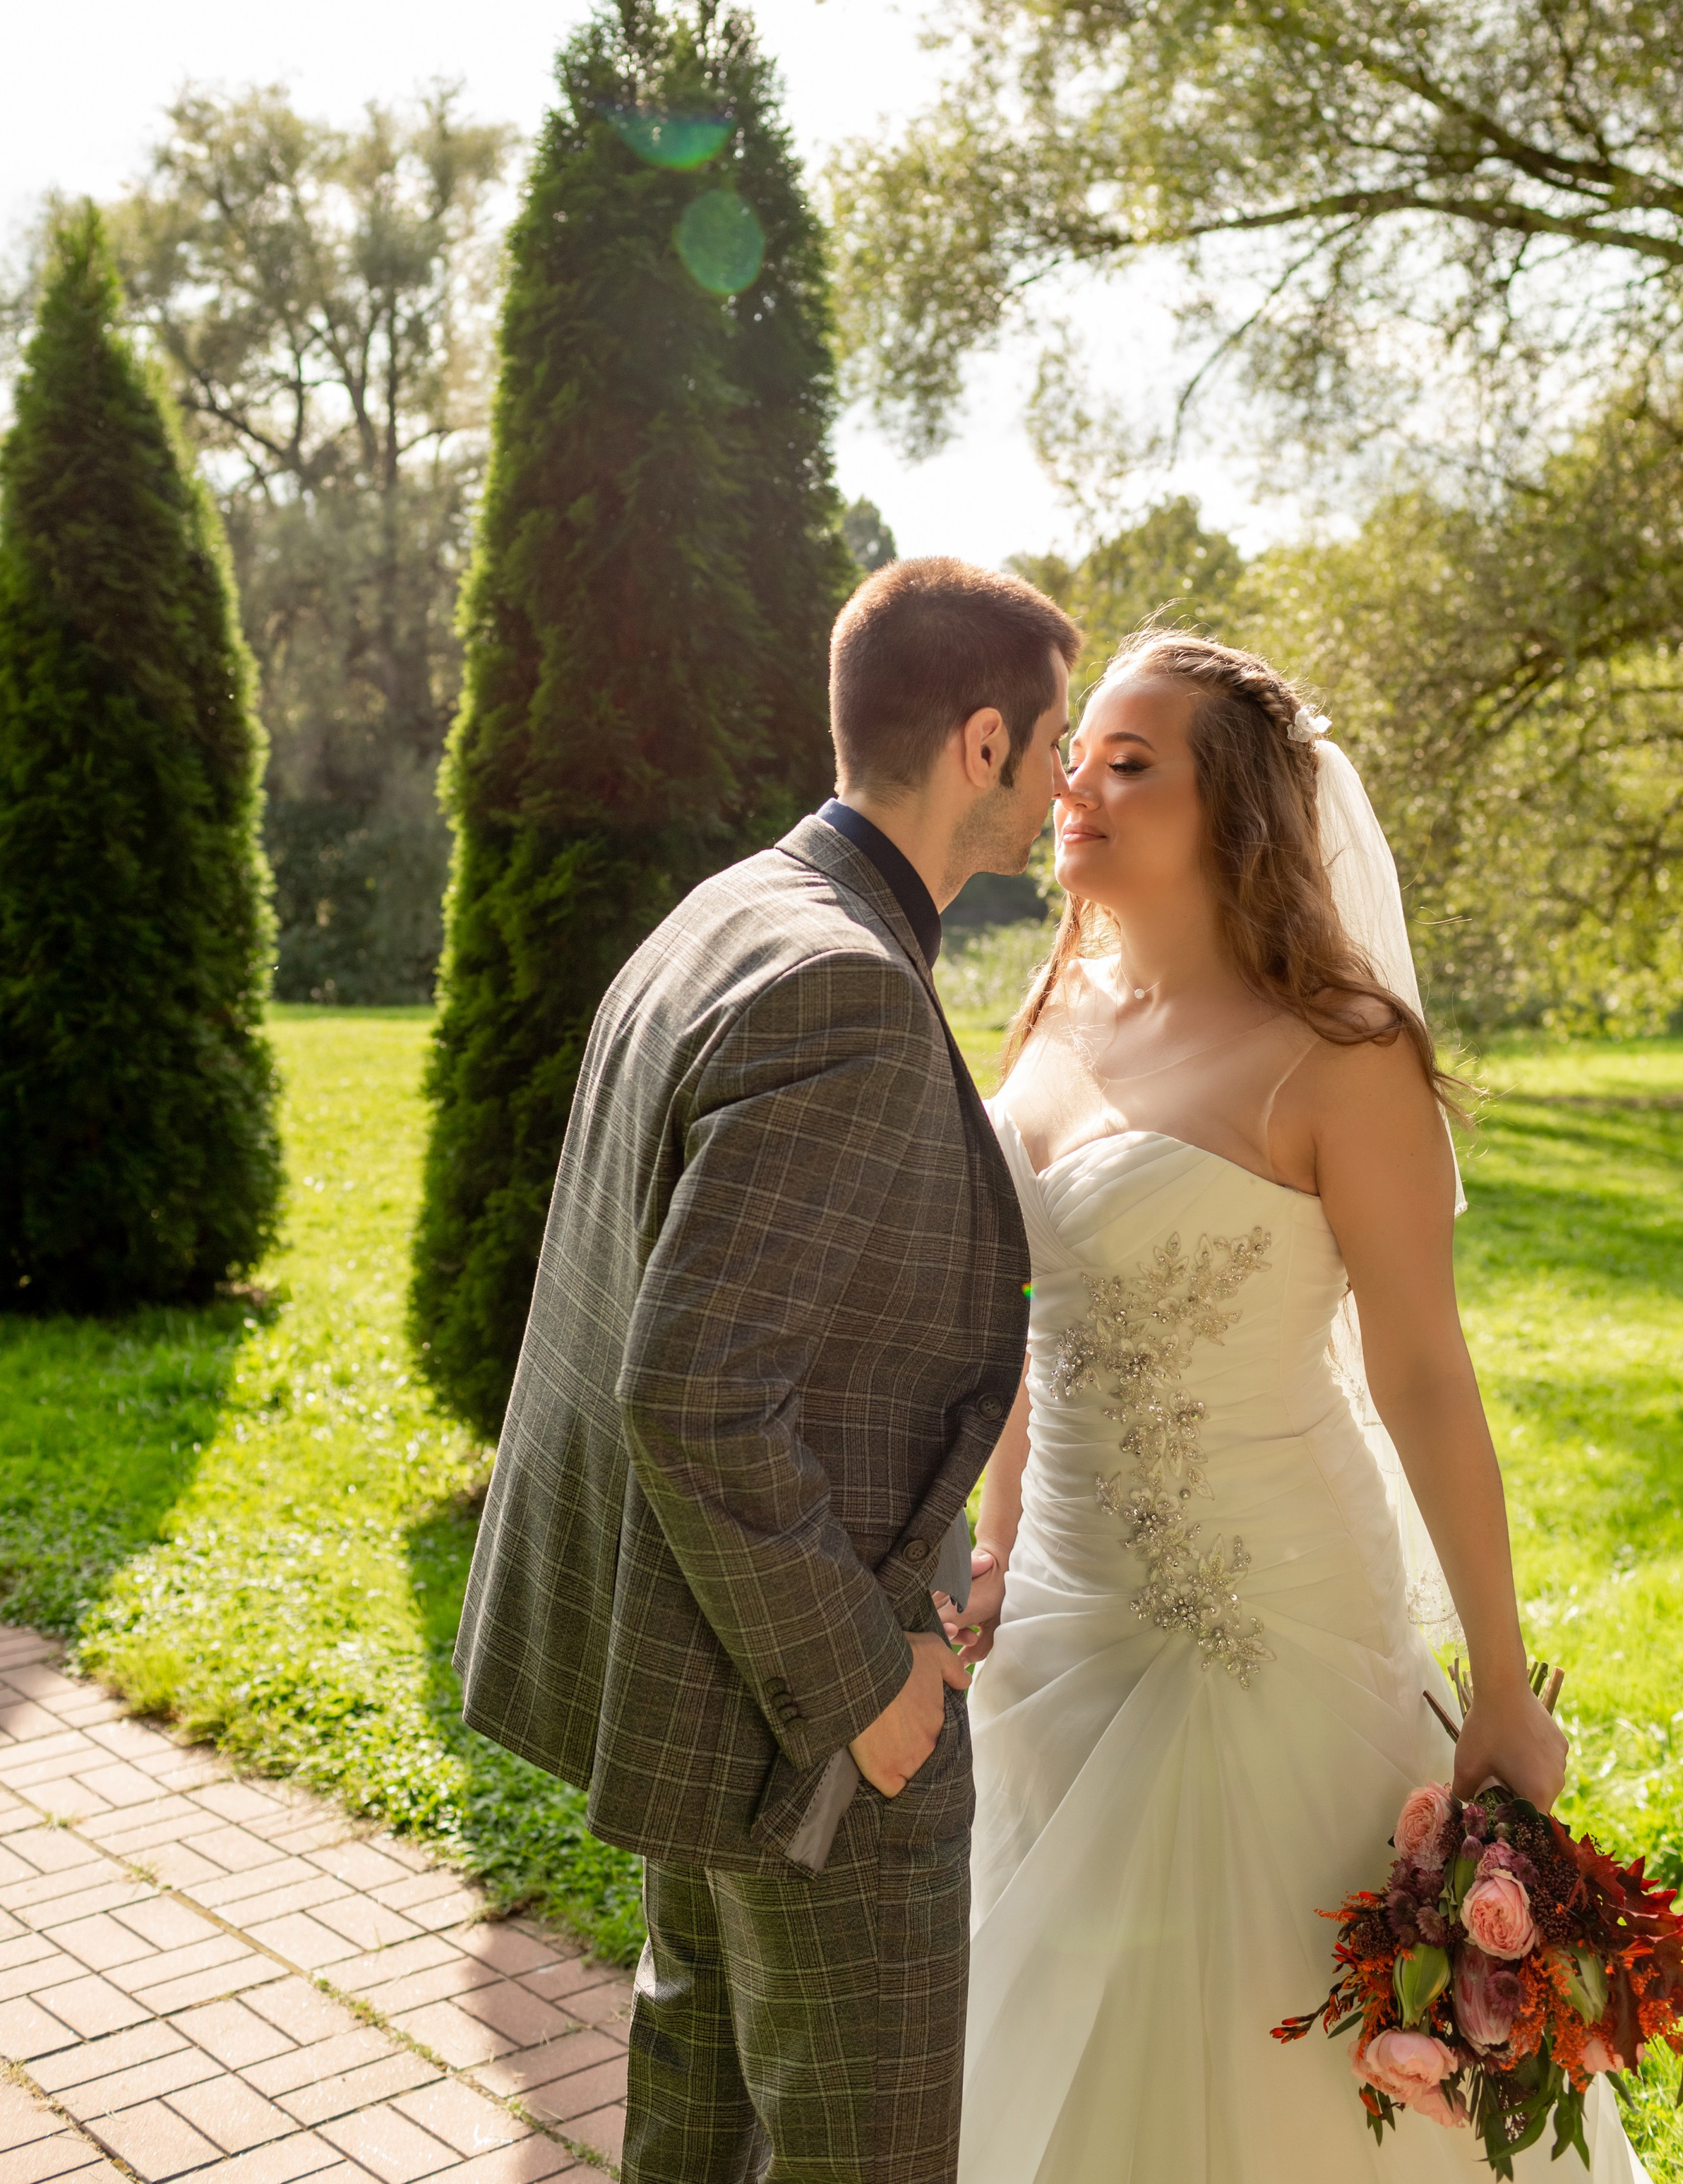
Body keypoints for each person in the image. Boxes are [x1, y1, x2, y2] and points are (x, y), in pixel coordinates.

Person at [940, 632, 1652, 2183]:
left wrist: (1503, 1685)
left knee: (1259, 2040)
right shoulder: (1046, 1020)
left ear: (1240, 814)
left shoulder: (1341, 1059)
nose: (1081, 789)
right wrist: (989, 1545)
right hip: (1056, 1620)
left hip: (1264, 1628)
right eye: (1083, 756)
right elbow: (1020, 1319)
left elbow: (1419, 1377)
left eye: (1136, 763)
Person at [455, 556, 1078, 2184]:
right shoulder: (848, 991)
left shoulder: (729, 913)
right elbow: (692, 1387)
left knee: (696, 2125)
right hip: (804, 1723)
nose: (1066, 781)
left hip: (699, 1680)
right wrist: (866, 1697)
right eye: (1055, 741)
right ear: (984, 742)